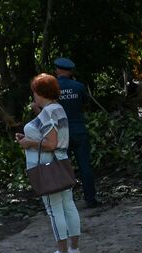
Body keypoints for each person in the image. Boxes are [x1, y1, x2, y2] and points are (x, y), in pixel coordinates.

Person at [15, 74, 82, 253]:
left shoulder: (48, 112)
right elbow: (51, 136)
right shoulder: (57, 108)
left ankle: (61, 252)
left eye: (34, 92)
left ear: (40, 92)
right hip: (61, 162)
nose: (33, 95)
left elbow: (50, 143)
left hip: (47, 165)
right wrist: (30, 138)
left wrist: (29, 143)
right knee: (68, 205)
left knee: (54, 209)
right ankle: (74, 248)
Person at [54, 57, 100, 208]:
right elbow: (85, 105)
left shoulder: (52, 88)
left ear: (57, 70)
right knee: (85, 166)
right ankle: (90, 199)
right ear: (70, 71)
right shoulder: (79, 86)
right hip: (79, 130)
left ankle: (67, 202)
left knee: (63, 167)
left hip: (61, 133)